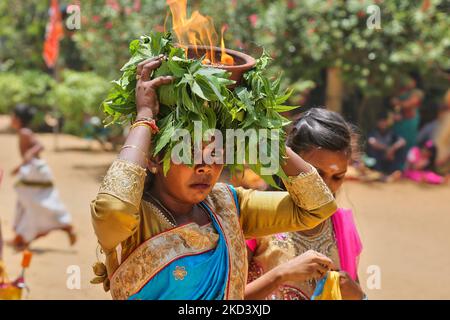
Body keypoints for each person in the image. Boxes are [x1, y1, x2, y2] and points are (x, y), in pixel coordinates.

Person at [90, 57, 338, 300]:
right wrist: (144, 116)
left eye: (216, 153)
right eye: (189, 152)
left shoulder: (228, 205)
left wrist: (259, 125)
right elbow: (113, 206)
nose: (205, 167)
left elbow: (318, 205)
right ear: (154, 158)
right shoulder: (135, 221)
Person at [245, 108, 365, 300]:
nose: (325, 188)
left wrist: (358, 295)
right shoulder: (255, 216)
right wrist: (281, 274)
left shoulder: (341, 227)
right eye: (317, 175)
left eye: (337, 177)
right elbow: (224, 298)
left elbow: (352, 291)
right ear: (290, 163)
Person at [9, 104, 76, 250]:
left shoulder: (25, 132)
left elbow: (39, 146)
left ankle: (63, 225)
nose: (11, 119)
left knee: (32, 202)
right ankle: (24, 236)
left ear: (18, 119)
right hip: (34, 171)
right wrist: (20, 166)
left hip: (35, 171)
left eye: (13, 116)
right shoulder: (23, 132)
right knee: (29, 201)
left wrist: (29, 155)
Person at [367, 112, 406, 177]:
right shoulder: (373, 132)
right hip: (379, 157)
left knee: (401, 150)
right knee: (372, 150)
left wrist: (392, 149)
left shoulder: (391, 132)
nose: (383, 123)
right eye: (381, 121)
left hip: (389, 157)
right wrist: (386, 149)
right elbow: (372, 143)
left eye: (384, 121)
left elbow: (402, 141)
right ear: (377, 123)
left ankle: (395, 171)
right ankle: (378, 172)